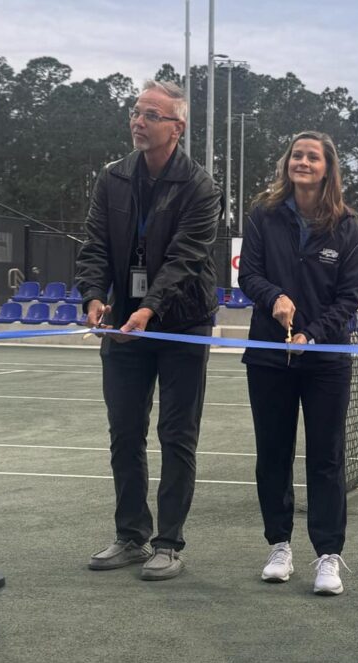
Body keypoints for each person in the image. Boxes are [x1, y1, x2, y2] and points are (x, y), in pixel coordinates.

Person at [76, 80, 219, 581]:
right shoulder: (112, 178)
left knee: (177, 434)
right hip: (122, 324)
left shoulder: (200, 186)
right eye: (135, 112)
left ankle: (169, 543)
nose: (139, 121)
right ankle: (131, 535)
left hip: (182, 323)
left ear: (176, 128)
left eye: (151, 115)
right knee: (125, 433)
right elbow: (94, 243)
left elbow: (185, 259)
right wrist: (94, 296)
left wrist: (149, 309)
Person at [239, 131, 358, 595]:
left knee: (326, 458)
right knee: (272, 454)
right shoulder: (263, 215)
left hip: (327, 360)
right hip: (269, 357)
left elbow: (351, 295)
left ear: (327, 167)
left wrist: (313, 334)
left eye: (313, 157)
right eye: (297, 155)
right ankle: (279, 545)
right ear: (286, 163)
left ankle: (328, 555)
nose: (303, 162)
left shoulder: (346, 225)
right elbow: (247, 274)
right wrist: (274, 299)